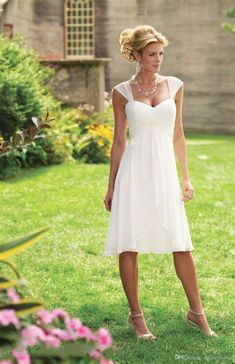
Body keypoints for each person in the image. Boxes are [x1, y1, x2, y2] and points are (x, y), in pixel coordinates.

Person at [103, 25, 218, 340]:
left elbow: (178, 135)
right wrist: (111, 186)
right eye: (152, 54)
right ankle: (137, 318)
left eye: (161, 53)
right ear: (137, 55)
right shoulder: (121, 92)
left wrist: (186, 176)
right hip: (133, 172)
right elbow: (118, 142)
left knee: (181, 244)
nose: (158, 59)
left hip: (164, 171)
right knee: (129, 243)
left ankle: (197, 313)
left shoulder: (175, 85)